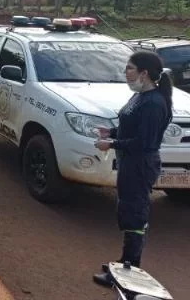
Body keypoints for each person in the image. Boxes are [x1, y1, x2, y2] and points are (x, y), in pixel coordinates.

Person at [91, 51, 172, 287]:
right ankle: (125, 262)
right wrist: (112, 133)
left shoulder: (154, 103)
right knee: (128, 211)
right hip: (130, 163)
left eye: (129, 68)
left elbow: (144, 142)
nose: (126, 73)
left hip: (140, 164)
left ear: (144, 73)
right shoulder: (140, 96)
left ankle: (130, 269)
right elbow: (131, 128)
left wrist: (112, 144)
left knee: (135, 216)